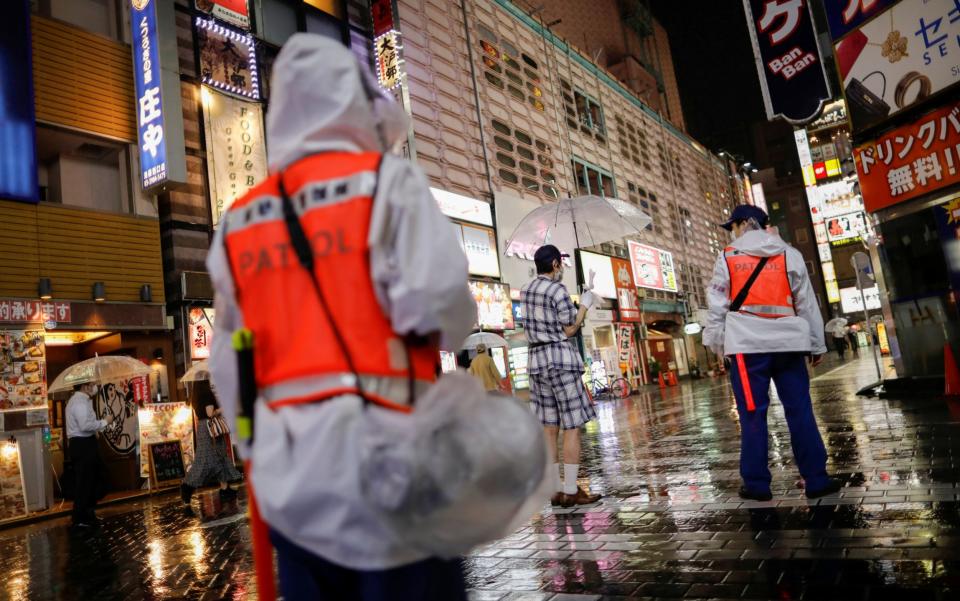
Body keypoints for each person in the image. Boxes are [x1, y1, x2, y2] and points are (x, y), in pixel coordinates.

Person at [206, 34, 475, 600]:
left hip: (295, 482)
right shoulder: (388, 185)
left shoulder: (239, 221)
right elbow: (444, 310)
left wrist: (257, 448)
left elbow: (229, 366)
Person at [703, 205, 841, 501]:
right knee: (800, 410)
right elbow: (806, 303)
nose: (732, 233)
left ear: (742, 224)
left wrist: (718, 345)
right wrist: (816, 344)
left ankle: (757, 485)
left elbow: (717, 308)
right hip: (789, 344)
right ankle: (816, 480)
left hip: (746, 348)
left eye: (732, 227)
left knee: (752, 415)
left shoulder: (727, 257)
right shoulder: (789, 254)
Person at [521, 244, 602, 509]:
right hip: (560, 362)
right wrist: (585, 304)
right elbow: (569, 328)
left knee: (548, 428)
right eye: (561, 264)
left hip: (536, 363)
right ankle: (570, 490)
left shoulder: (526, 290)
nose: (563, 268)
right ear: (555, 264)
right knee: (571, 426)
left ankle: (555, 490)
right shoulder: (557, 289)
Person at [180, 380, 242, 514]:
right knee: (205, 462)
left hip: (205, 430)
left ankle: (225, 488)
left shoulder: (196, 395)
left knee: (220, 458)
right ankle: (187, 486)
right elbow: (210, 413)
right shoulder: (206, 394)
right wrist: (222, 408)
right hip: (211, 431)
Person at [65, 381, 112, 528]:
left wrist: (95, 430)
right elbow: (84, 425)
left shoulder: (83, 401)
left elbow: (87, 424)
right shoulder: (79, 402)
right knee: (85, 482)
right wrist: (105, 421)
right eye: (91, 384)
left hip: (87, 443)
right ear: (85, 387)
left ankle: (88, 514)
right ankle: (80, 518)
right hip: (82, 445)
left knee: (93, 479)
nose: (94, 387)